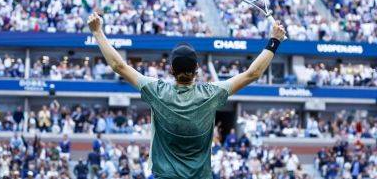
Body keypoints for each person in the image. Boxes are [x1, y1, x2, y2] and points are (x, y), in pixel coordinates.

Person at [87, 12, 286, 178]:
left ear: (171, 69)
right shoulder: (211, 94)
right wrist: (274, 41)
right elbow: (253, 73)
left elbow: (119, 66)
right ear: (197, 69)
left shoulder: (157, 91)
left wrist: (97, 32)